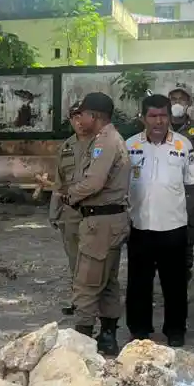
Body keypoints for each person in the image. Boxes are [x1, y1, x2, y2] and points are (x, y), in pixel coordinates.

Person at [124, 94, 194, 347]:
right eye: (153, 116)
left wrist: (188, 217)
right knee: (138, 282)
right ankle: (139, 329)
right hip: (139, 225)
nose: (158, 121)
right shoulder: (130, 145)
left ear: (170, 117)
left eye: (163, 115)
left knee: (175, 283)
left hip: (174, 226)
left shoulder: (183, 145)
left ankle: (175, 329)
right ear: (143, 118)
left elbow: (193, 184)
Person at [60, 92, 131, 355]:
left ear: (95, 116)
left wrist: (70, 195)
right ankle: (108, 337)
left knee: (87, 284)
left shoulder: (105, 141)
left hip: (100, 222)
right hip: (108, 220)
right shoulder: (106, 139)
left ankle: (81, 346)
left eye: (85, 114)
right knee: (108, 281)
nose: (81, 119)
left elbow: (93, 182)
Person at [51, 100, 92, 315]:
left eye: (81, 116)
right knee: (74, 259)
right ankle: (79, 301)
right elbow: (59, 182)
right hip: (70, 213)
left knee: (94, 261)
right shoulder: (66, 146)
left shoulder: (100, 144)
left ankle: (97, 303)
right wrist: (54, 211)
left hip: (95, 213)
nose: (78, 121)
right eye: (74, 117)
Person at [169, 87, 194, 285]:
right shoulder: (160, 127)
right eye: (173, 99)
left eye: (181, 100)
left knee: (186, 236)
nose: (177, 103)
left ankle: (183, 275)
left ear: (189, 104)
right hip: (164, 193)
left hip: (188, 194)